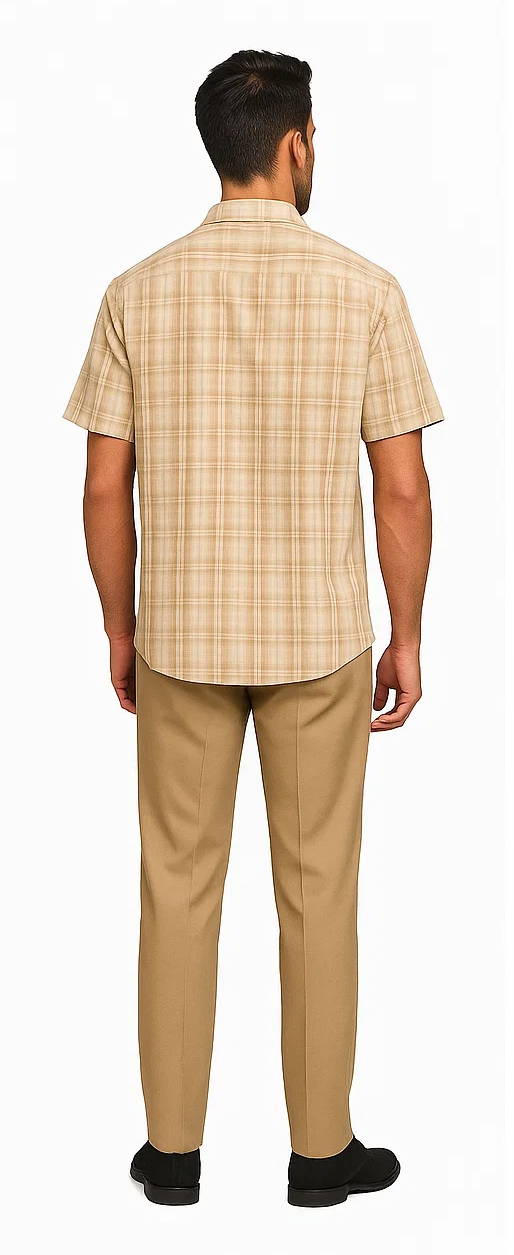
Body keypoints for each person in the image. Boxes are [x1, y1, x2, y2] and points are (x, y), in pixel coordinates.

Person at [62, 49, 444, 1208]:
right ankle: (321, 1156)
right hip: (319, 641)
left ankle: (171, 1156)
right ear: (294, 144)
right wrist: (407, 632)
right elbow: (401, 487)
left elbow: (103, 486)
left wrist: (119, 627)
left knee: (175, 890)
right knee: (318, 891)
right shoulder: (366, 288)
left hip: (180, 639)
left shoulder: (135, 292)